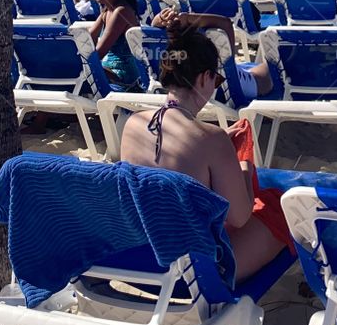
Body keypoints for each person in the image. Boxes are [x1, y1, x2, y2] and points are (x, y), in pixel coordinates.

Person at [120, 22, 288, 280]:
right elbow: (239, 217)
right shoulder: (212, 140)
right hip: (195, 269)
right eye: (216, 79)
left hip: (142, 255)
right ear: (203, 78)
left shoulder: (133, 124)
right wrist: (242, 164)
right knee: (278, 210)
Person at [86, 0, 141, 91]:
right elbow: (89, 38)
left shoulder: (121, 12)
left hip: (122, 77)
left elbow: (99, 53)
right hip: (108, 70)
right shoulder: (107, 10)